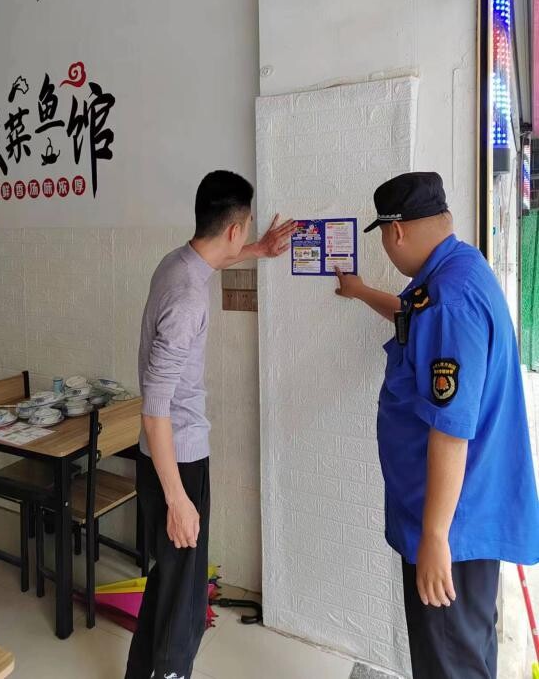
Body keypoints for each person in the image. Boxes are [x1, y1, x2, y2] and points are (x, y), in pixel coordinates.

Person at [335, 171, 539, 679]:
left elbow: (451, 430)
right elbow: (412, 316)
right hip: (459, 516)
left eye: (383, 237)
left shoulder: (449, 300)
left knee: (449, 662)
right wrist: (361, 292)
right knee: (465, 652)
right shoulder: (457, 270)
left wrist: (433, 537)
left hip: (452, 527)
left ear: (396, 231)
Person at [125, 170, 295, 679]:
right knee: (184, 602)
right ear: (233, 228)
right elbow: (154, 408)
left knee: (171, 582)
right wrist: (178, 500)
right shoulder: (187, 300)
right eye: (247, 229)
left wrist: (260, 249)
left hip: (166, 454)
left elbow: (213, 261)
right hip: (175, 460)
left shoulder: (177, 263)